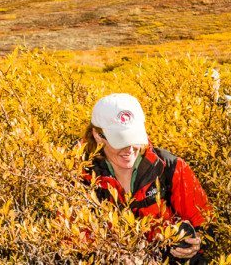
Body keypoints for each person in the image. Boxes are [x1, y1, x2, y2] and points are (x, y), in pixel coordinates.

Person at [81, 93, 213, 264]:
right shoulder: (82, 178)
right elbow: (70, 243)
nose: (129, 149)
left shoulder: (170, 167)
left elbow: (204, 220)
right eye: (120, 141)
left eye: (133, 138)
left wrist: (196, 242)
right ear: (98, 136)